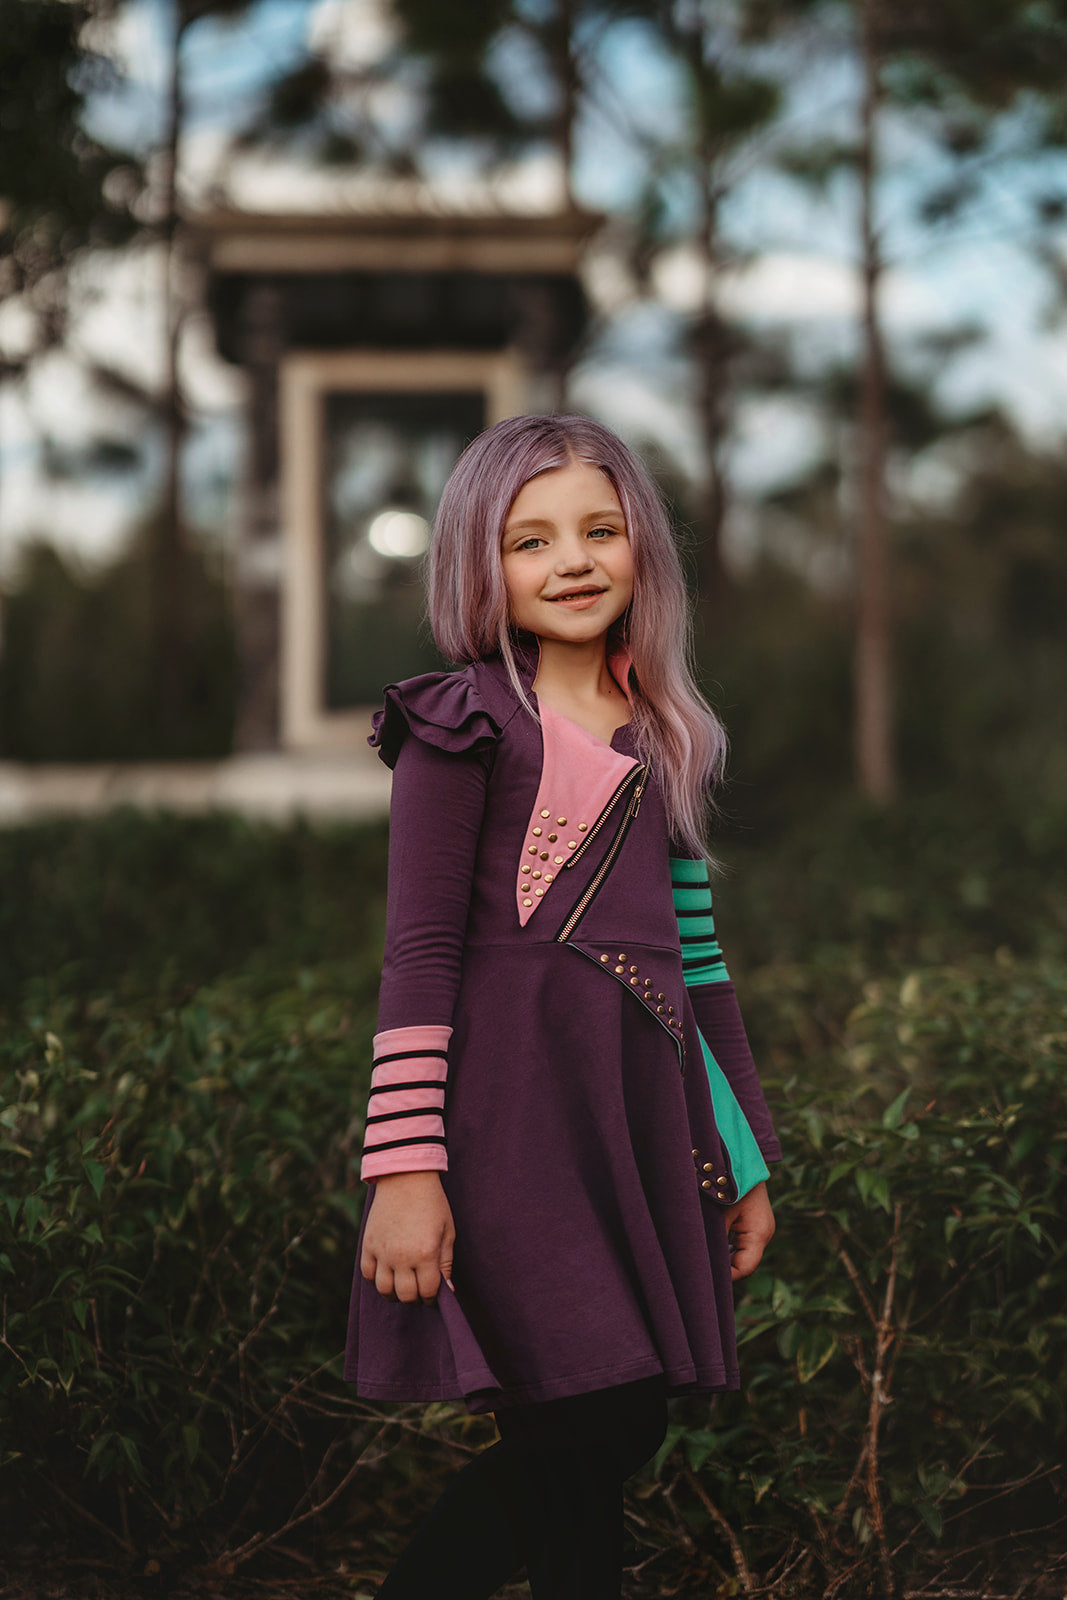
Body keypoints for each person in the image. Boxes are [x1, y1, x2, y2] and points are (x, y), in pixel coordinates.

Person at [344, 413, 780, 1599]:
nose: (572, 560)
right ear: (479, 566)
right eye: (530, 541)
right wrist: (403, 1167)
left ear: (643, 545)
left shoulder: (667, 735)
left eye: (599, 528)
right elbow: (418, 958)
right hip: (506, 1135)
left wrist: (745, 1155)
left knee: (606, 1435)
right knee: (587, 1415)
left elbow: (697, 969)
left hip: (629, 1136)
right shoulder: (463, 723)